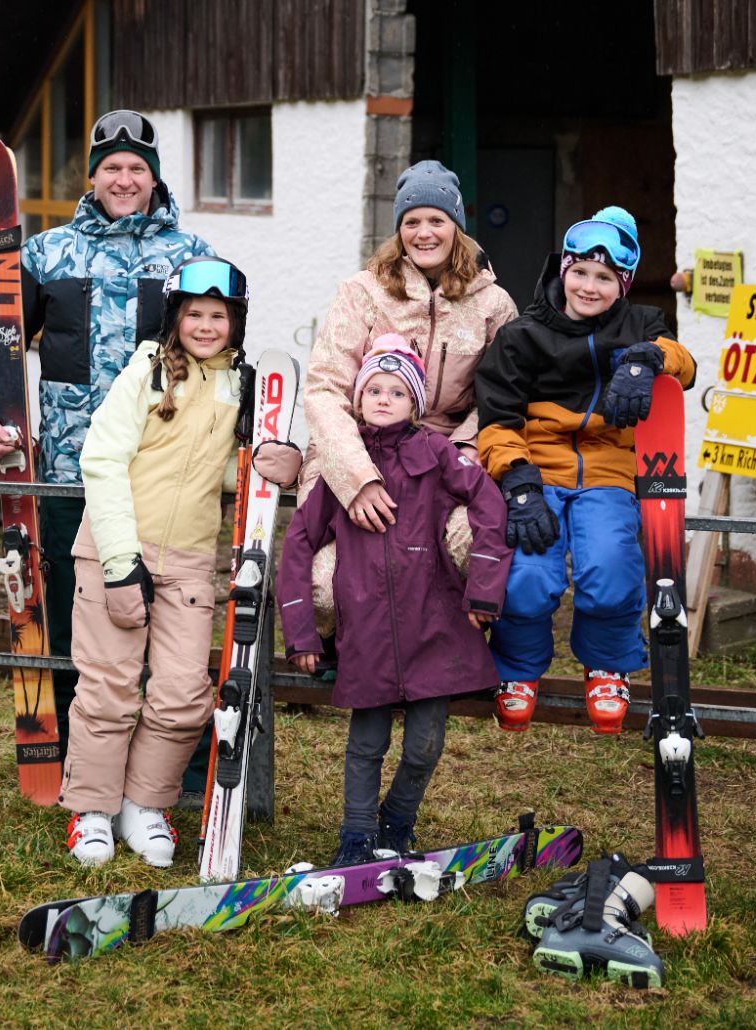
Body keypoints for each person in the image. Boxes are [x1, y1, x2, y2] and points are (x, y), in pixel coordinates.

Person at [0, 110, 215, 754]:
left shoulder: (191, 257)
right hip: (72, 473)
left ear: (153, 179)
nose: (124, 179)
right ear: (92, 177)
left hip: (160, 478)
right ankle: (79, 749)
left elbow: (220, 355)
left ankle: (164, 756)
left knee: (158, 617)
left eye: (137, 169)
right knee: (79, 610)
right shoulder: (48, 253)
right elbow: (2, 338)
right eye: (112, 168)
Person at [277, 339, 511, 864]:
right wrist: (302, 633)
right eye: (374, 390)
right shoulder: (345, 468)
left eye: (399, 391)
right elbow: (297, 544)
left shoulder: (436, 454)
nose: (384, 399)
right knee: (366, 745)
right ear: (358, 399)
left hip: (435, 623)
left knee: (425, 744)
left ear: (417, 404)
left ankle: (397, 824)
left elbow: (489, 504)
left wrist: (484, 589)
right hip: (368, 630)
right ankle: (356, 837)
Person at [474, 206, 697, 734]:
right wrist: (518, 481)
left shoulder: (641, 323)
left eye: (604, 278)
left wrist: (646, 359)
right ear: (562, 271)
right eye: (580, 273)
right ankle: (518, 671)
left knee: (612, 569)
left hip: (609, 472)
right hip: (538, 470)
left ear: (622, 284)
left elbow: (684, 366)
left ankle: (607, 667)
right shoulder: (521, 336)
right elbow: (496, 420)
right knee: (527, 575)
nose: (589, 287)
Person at [59, 256, 249, 867]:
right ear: (174, 317)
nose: (205, 325)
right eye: (194, 313)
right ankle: (92, 809)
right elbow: (103, 459)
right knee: (110, 686)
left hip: (190, 559)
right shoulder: (147, 368)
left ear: (235, 323)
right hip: (117, 546)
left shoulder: (238, 385)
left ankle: (143, 804)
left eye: (218, 315)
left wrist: (266, 458)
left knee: (182, 694)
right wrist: (119, 562)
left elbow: (217, 473)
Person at [299, 160, 518, 670]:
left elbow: (503, 393)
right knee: (329, 585)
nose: (424, 233)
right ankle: (335, 643)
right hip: (363, 446)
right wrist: (357, 478)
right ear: (398, 230)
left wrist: (463, 452)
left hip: (441, 456)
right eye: (412, 221)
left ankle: (443, 646)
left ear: (456, 225)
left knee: (466, 543)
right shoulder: (364, 292)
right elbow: (326, 388)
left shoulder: (494, 304)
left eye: (436, 220)